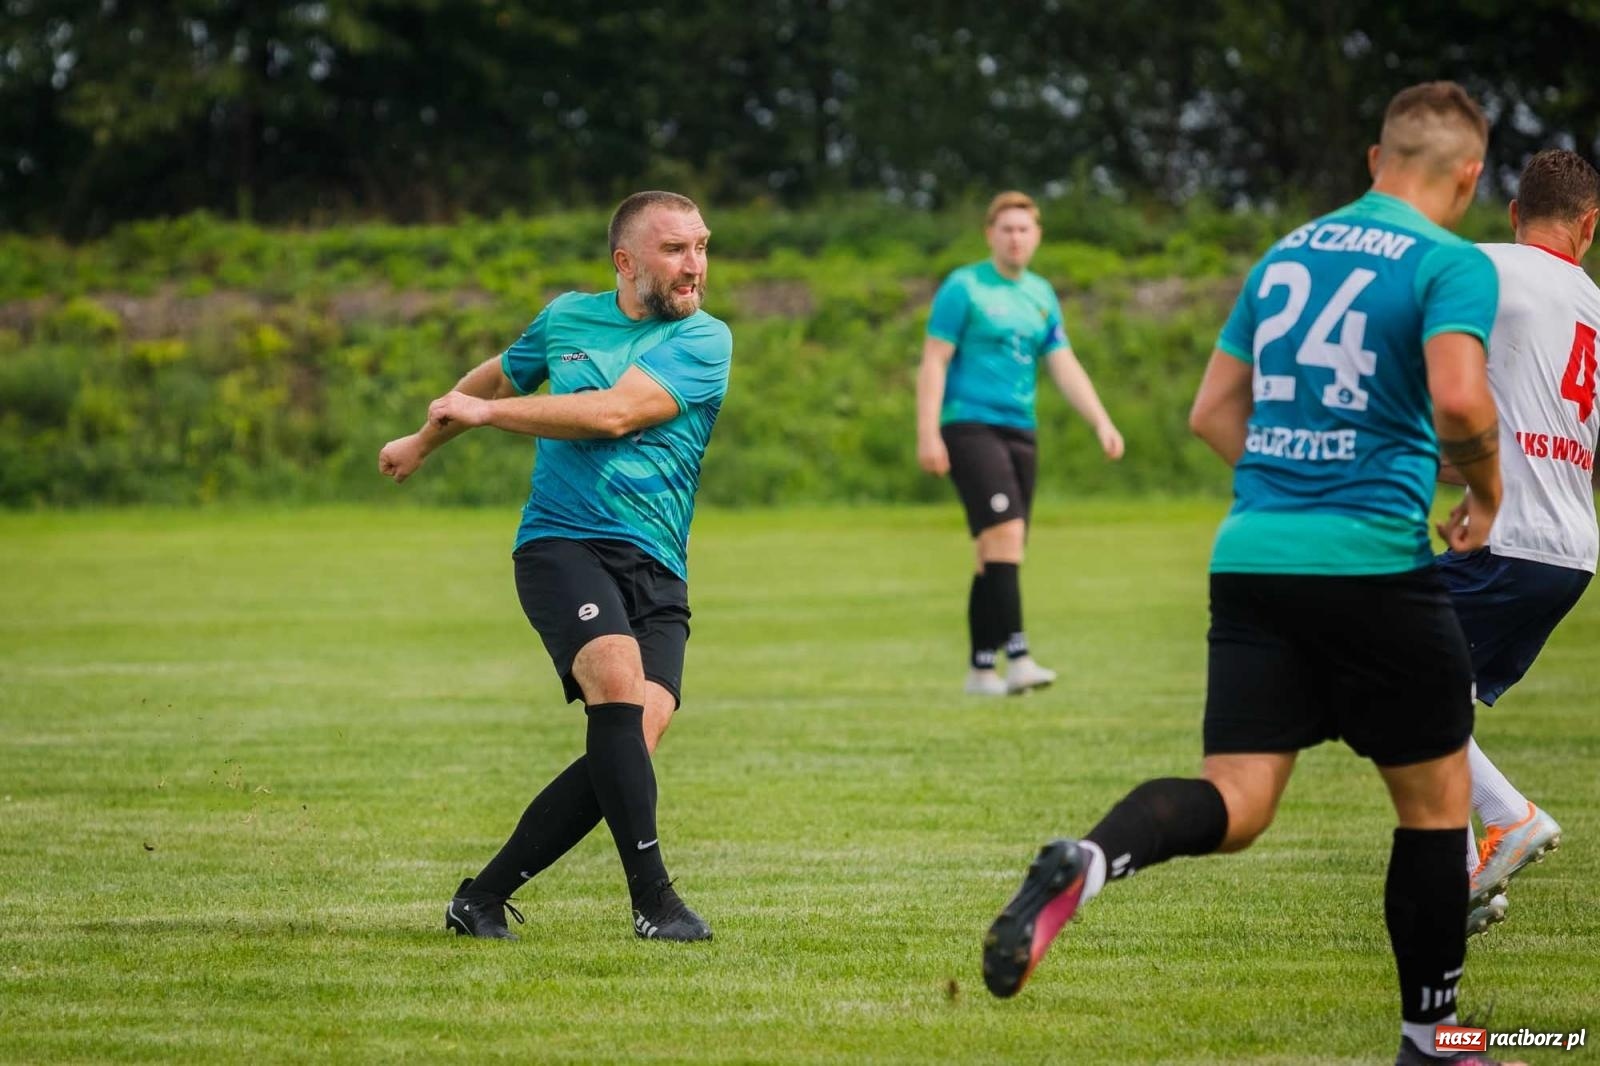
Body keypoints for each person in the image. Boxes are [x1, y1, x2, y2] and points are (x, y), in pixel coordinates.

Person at [981, 83, 1524, 1066]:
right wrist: (1483, 492)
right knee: (1436, 807)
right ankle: (1434, 1038)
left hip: (1255, 554)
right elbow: (1456, 396)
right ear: (1469, 176)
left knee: (1235, 800)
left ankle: (1091, 859)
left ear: (1373, 160)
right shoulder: (1449, 263)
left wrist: (1297, 480)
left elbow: (1208, 414)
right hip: (1371, 562)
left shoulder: (1285, 253)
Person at [378, 190, 731, 942]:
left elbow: (613, 413)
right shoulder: (568, 317)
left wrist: (489, 417)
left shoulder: (705, 341)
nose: (694, 264)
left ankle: (481, 897)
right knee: (613, 681)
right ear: (626, 262)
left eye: (701, 246)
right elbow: (499, 377)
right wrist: (422, 438)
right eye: (675, 250)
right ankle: (655, 903)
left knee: (630, 742)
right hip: (561, 544)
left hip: (657, 565)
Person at [1431, 149, 1600, 936]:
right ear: (1590, 226)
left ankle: (1510, 818)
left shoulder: (1487, 267)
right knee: (1427, 702)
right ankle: (1464, 881)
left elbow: (1441, 381)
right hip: (1570, 552)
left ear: (1513, 213)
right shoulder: (1593, 306)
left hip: (1509, 541)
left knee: (1372, 668)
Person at [916, 191, 1124, 697]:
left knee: (998, 552)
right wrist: (927, 431)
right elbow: (934, 361)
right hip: (969, 425)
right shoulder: (963, 287)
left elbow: (1063, 362)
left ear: (1037, 237)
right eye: (1006, 228)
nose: (1015, 237)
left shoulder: (1041, 294)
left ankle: (981, 671)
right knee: (1005, 536)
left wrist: (1101, 420)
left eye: (1024, 229)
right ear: (991, 234)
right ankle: (1020, 658)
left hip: (1021, 430)